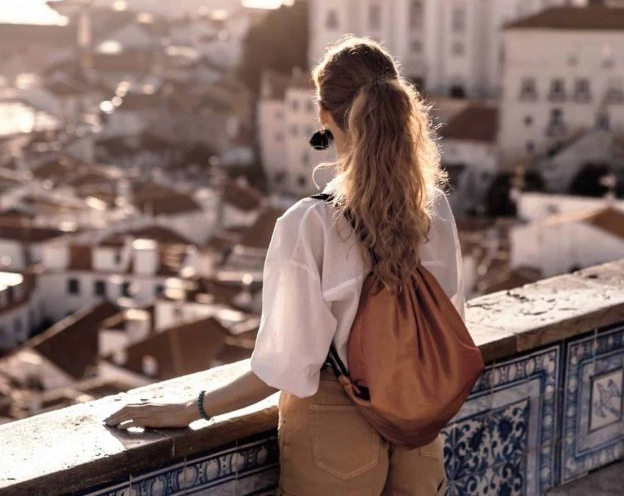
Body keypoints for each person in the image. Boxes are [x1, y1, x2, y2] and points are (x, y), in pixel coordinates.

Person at [103, 36, 466, 495]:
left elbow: (287, 365)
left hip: (337, 434)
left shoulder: (310, 224)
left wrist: (192, 409)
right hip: (419, 425)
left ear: (324, 115)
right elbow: (450, 318)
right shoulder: (433, 208)